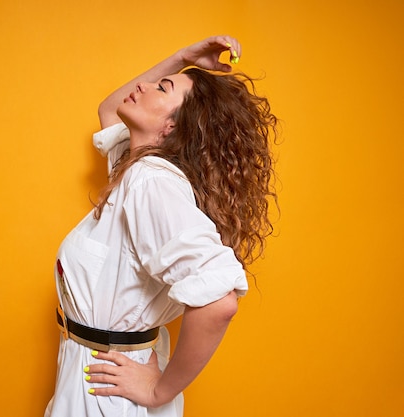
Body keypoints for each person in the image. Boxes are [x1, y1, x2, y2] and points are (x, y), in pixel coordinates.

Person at [45, 35, 278, 417]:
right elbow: (108, 109)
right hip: (89, 373)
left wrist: (158, 390)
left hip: (105, 390)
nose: (144, 84)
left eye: (162, 87)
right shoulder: (134, 166)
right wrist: (183, 58)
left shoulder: (150, 182)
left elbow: (219, 302)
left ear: (171, 125)